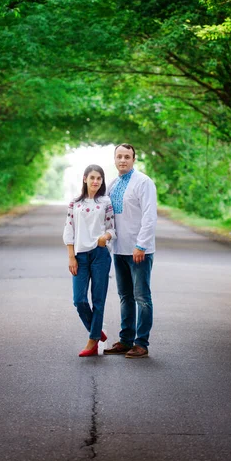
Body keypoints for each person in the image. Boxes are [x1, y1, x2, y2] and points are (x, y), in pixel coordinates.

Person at [104, 143, 157, 358]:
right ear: (114, 159)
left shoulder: (143, 182)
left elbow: (149, 216)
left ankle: (141, 344)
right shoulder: (113, 184)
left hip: (139, 251)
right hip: (119, 249)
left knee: (141, 297)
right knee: (125, 296)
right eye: (119, 156)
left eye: (127, 156)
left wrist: (141, 245)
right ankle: (126, 341)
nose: (123, 160)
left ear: (134, 159)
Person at [63, 164, 116, 357]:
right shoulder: (75, 203)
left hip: (100, 254)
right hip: (80, 256)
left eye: (99, 179)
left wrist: (105, 238)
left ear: (102, 181)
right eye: (92, 177)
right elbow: (69, 230)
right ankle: (96, 330)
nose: (95, 181)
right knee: (79, 300)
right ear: (85, 178)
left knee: (99, 300)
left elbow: (112, 228)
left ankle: (92, 342)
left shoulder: (106, 202)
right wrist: (71, 256)